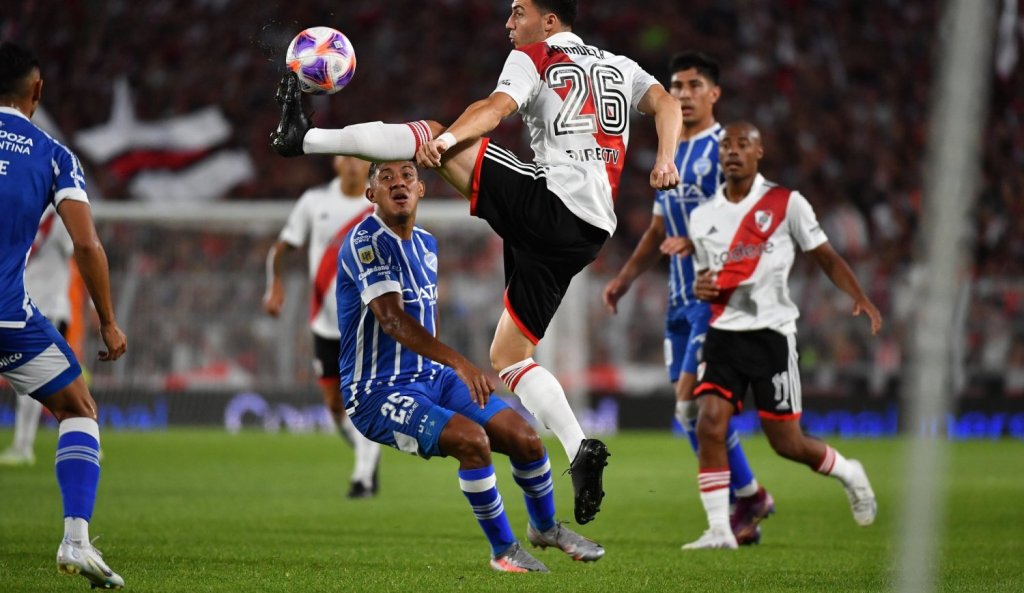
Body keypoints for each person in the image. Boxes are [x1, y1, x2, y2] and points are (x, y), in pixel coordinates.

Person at [270, 0, 683, 525]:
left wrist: (445, 141)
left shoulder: (536, 56)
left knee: (429, 130)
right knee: (509, 355)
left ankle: (303, 138)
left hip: (552, 202)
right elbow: (666, 104)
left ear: (549, 22)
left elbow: (494, 108)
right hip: (590, 230)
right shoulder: (620, 66)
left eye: (518, 12)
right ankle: (579, 448)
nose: (509, 23)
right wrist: (665, 158)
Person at [337, 160, 604, 571]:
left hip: (433, 378)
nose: (398, 183)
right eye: (386, 178)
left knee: (526, 439)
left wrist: (448, 370)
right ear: (371, 194)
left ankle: (545, 527)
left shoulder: (426, 243)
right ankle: (504, 551)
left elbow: (426, 317)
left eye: (407, 175)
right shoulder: (365, 242)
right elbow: (392, 321)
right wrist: (461, 363)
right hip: (377, 392)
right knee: (472, 441)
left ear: (421, 189)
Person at [601, 52, 773, 545]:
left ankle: (734, 511)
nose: (682, 94)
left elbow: (752, 222)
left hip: (716, 295)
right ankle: (749, 496)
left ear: (714, 93)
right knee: (692, 414)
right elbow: (659, 229)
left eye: (694, 85)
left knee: (689, 408)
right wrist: (625, 279)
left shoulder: (726, 150)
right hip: (679, 300)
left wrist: (698, 242)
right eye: (675, 86)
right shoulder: (671, 149)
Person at [683, 121, 881, 549]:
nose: (733, 151)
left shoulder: (786, 203)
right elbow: (707, 279)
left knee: (787, 443)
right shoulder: (702, 216)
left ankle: (850, 472)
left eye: (743, 144)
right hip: (723, 334)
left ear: (759, 152)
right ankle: (719, 530)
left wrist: (859, 296)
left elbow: (825, 256)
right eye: (727, 145)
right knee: (709, 423)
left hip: (771, 336)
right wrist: (701, 287)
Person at [0, 42, 128, 588]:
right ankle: (76, 539)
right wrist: (108, 320)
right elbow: (88, 244)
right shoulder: (53, 155)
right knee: (78, 407)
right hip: (8, 318)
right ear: (37, 90)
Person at [263, 155, 383, 498]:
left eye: (359, 158)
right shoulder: (314, 201)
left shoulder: (379, 203)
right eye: (346, 157)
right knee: (335, 406)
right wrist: (275, 286)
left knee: (364, 401)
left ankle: (363, 476)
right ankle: (367, 455)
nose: (352, 164)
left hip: (366, 321)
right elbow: (281, 248)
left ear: (368, 165)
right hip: (325, 323)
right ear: (335, 163)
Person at [0, 206, 74, 467]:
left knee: (37, 381)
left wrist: (92, 305)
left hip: (49, 309)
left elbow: (81, 249)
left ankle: (23, 447)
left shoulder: (61, 215)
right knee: (57, 381)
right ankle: (85, 439)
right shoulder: (24, 212)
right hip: (22, 308)